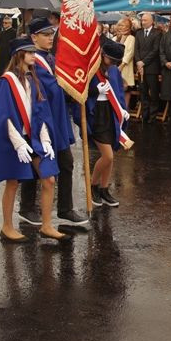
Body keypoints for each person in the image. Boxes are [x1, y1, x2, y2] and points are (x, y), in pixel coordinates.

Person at [0, 38, 61, 243]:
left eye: (34, 52)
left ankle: (47, 225)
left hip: (33, 137)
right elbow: (3, 116)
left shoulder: (32, 80)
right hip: (16, 138)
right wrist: (18, 143)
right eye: (30, 52)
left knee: (49, 178)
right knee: (13, 182)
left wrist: (45, 139)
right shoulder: (7, 81)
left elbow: (40, 112)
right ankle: (7, 227)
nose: (34, 55)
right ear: (19, 54)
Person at [17, 18, 89, 227]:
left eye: (51, 34)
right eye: (46, 35)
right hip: (41, 119)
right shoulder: (32, 60)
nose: (51, 38)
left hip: (58, 117)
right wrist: (72, 85)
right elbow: (53, 87)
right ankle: (27, 208)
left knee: (66, 163)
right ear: (34, 37)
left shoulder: (50, 57)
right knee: (35, 164)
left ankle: (65, 209)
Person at [85, 41, 129, 207]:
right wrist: (96, 91)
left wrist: (122, 110)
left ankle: (104, 189)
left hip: (111, 113)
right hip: (96, 113)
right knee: (107, 155)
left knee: (111, 157)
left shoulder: (113, 70)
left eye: (116, 62)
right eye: (112, 60)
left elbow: (118, 92)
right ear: (103, 56)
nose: (114, 64)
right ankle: (93, 185)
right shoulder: (92, 68)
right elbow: (80, 92)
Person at [134, 12, 162, 123]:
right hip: (140, 68)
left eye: (145, 20)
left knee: (154, 92)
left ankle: (153, 115)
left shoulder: (157, 33)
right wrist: (138, 62)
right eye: (142, 20)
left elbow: (155, 50)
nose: (143, 22)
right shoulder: (139, 33)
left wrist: (143, 62)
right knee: (143, 92)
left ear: (151, 21)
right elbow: (136, 49)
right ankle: (144, 115)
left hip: (152, 68)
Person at [114, 17, 136, 107]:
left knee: (125, 89)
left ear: (128, 27)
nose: (120, 27)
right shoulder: (114, 38)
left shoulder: (131, 38)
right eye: (119, 25)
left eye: (122, 25)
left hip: (124, 68)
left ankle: (125, 109)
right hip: (114, 67)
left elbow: (129, 54)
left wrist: (121, 66)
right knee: (115, 89)